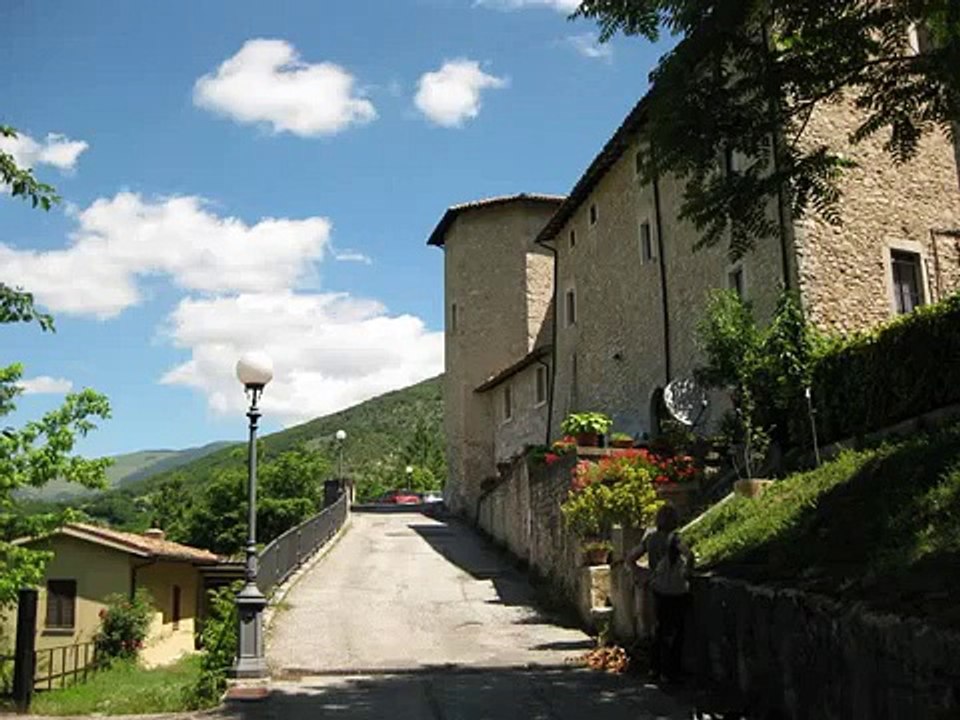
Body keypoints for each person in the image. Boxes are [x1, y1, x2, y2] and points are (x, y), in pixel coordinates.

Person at [649, 531, 694, 682]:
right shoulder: (678, 562)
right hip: (676, 597)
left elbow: (655, 579)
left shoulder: (664, 562)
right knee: (675, 634)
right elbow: (690, 557)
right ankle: (668, 670)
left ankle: (658, 669)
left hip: (663, 596)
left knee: (661, 632)